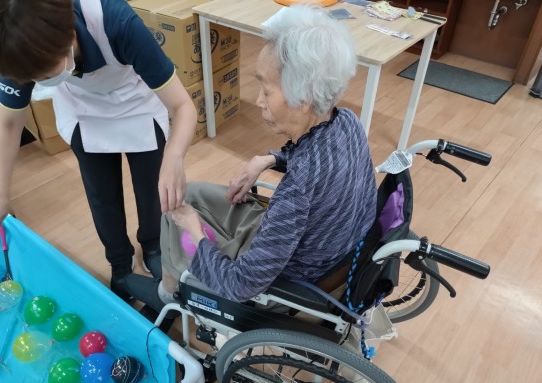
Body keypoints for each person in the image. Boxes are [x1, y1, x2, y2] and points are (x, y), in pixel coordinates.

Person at [125, 4, 378, 327]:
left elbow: (240, 285)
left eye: (266, 90)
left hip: (280, 278)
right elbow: (323, 164)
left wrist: (196, 233)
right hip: (319, 246)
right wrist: (271, 158)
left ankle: (170, 293)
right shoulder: (347, 122)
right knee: (187, 195)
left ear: (303, 99)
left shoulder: (298, 191)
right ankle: (172, 275)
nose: (258, 100)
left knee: (178, 219)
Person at [0, 0, 197, 300]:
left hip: (137, 105)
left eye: (46, 74)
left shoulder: (116, 22)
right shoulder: (15, 47)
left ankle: (154, 246)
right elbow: (9, 123)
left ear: (69, 34)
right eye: (34, 80)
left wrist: (175, 155)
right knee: (102, 197)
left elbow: (183, 106)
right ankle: (120, 262)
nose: (39, 83)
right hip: (83, 113)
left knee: (152, 191)